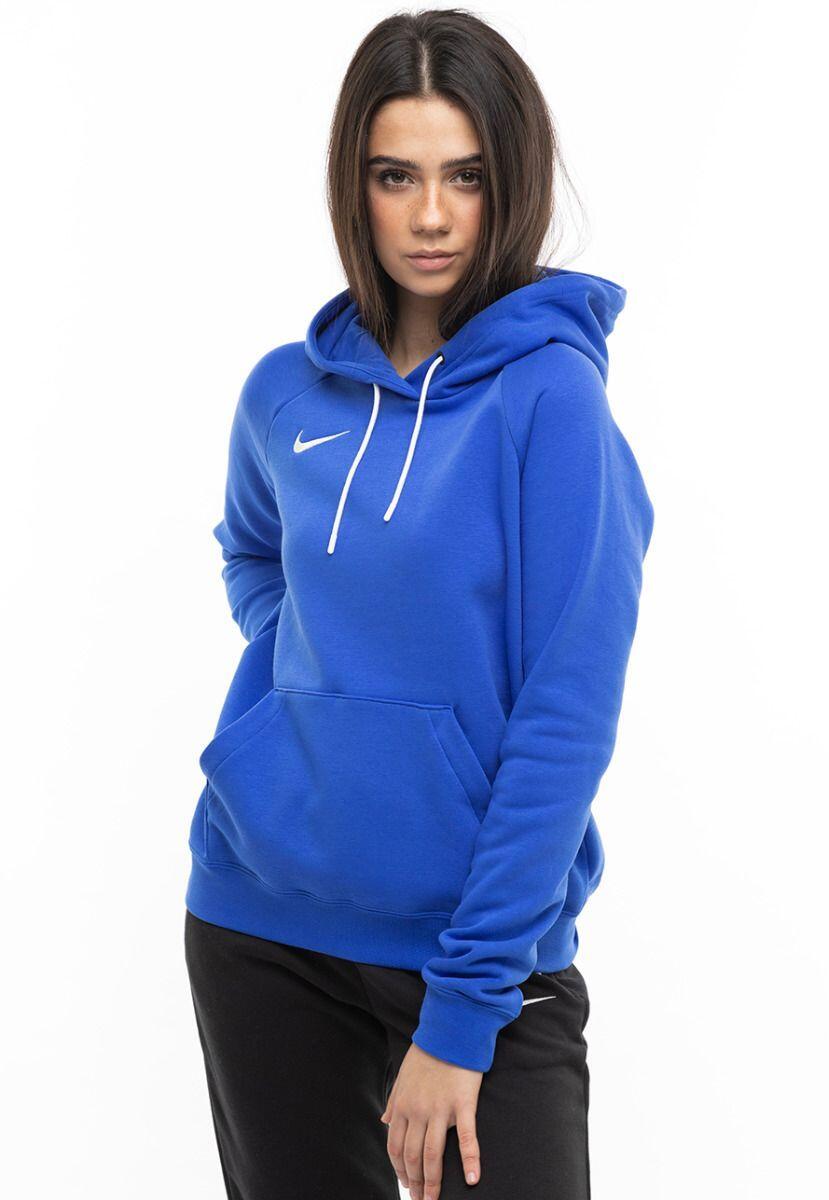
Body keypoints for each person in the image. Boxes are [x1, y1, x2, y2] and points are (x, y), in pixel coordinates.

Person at [183, 9, 654, 1199]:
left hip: (476, 955)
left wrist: (465, 1007)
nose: (431, 215)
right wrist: (309, 687)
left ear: (513, 183)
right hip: (260, 923)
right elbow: (252, 554)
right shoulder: (284, 393)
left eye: (466, 176)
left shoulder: (550, 404)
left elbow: (564, 720)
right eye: (396, 175)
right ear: (354, 185)